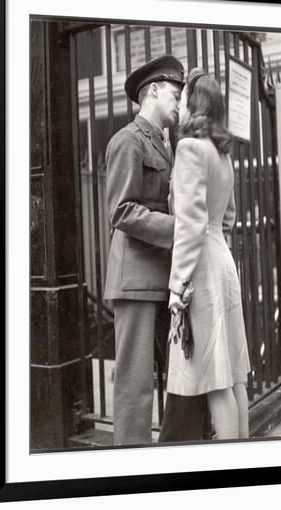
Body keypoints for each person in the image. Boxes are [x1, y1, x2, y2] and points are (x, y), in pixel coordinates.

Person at [163, 67, 251, 440]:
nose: (180, 104)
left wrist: (177, 285)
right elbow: (226, 218)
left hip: (200, 267)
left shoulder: (189, 148)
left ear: (194, 104)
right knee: (233, 375)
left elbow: (189, 225)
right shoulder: (221, 154)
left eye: (183, 98)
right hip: (222, 261)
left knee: (215, 378)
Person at [104, 54, 188, 445]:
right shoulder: (127, 141)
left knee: (178, 378)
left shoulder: (165, 145)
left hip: (160, 275)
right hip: (135, 277)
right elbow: (120, 210)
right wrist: (180, 230)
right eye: (174, 94)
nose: (179, 103)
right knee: (134, 390)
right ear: (153, 91)